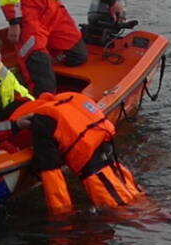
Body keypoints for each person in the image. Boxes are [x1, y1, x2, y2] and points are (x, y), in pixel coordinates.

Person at [12, 91, 143, 215]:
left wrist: (61, 215)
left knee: (122, 213)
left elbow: (52, 175)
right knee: (140, 202)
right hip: (115, 164)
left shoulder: (40, 122)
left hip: (95, 175)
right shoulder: (68, 99)